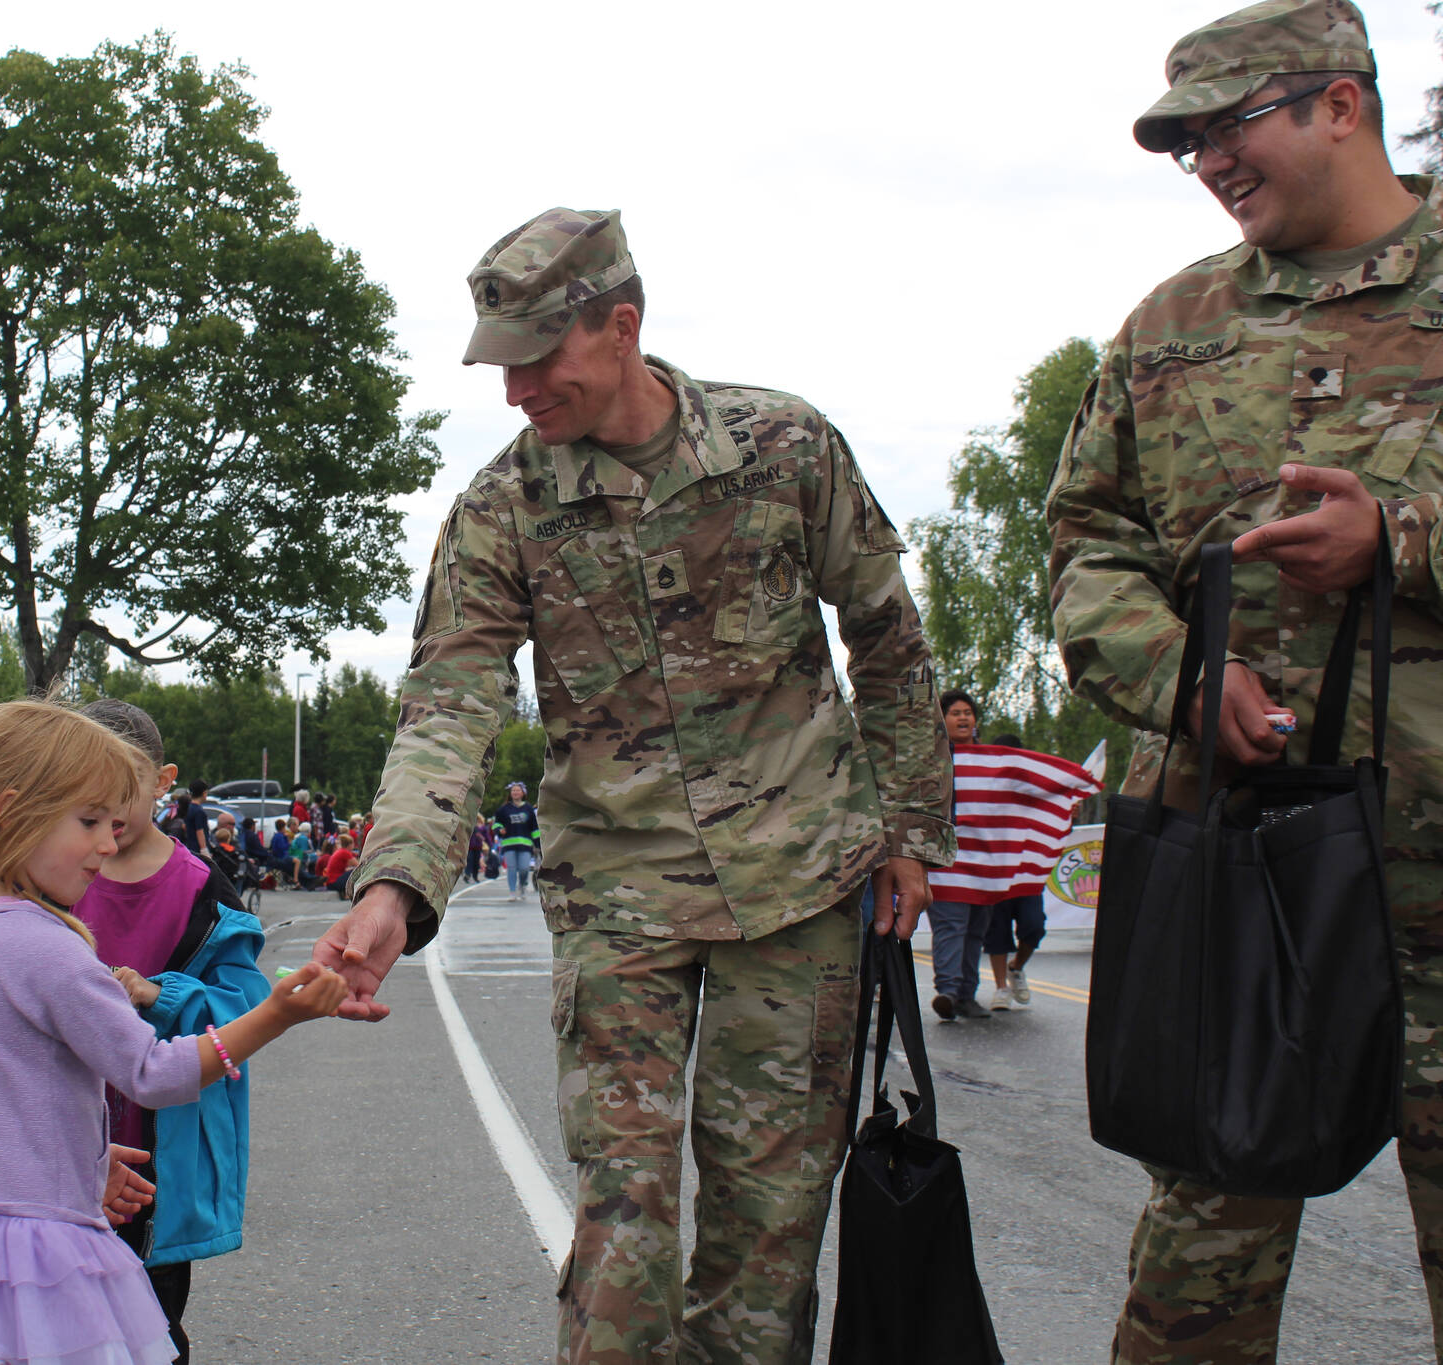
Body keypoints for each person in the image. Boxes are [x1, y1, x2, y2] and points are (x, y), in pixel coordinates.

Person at [313, 208, 952, 1364]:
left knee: (768, 1229)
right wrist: (394, 884)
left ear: (621, 328)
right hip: (618, 899)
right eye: (496, 366)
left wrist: (910, 828)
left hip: (797, 886)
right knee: (623, 1212)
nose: (515, 393)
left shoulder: (784, 447)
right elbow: (450, 702)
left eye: (536, 362)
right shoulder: (502, 507)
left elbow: (887, 639)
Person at [1046, 3, 1443, 1358]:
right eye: (1186, 144)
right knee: (1191, 1296)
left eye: (1230, 126)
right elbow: (1085, 547)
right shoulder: (1170, 327)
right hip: (1241, 883)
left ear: (1343, 104)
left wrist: (1401, 541)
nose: (1207, 161)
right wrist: (1181, 670)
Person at [0, 700, 346, 1365]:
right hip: (40, 1252)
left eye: (115, 821)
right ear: (15, 811)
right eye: (90, 821)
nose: (109, 840)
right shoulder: (52, 950)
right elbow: (154, 1073)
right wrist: (277, 1013)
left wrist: (80, 1161)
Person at [74, 699, 271, 1363]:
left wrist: (163, 993)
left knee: (148, 1328)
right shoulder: (54, 872)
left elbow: (243, 1010)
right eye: (82, 797)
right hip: (58, 1142)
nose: (106, 820)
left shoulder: (201, 892)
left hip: (157, 1152)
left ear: (163, 780)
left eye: (119, 793)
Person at [924, 691, 994, 1021]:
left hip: (984, 863)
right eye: (955, 712)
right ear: (942, 719)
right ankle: (948, 992)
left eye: (968, 712)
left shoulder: (993, 763)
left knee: (976, 931)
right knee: (951, 926)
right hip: (947, 864)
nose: (963, 718)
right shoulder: (930, 761)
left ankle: (967, 994)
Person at [979, 733, 1049, 1011]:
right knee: (997, 931)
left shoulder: (1035, 791)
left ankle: (1016, 967)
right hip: (994, 873)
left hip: (1027, 873)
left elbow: (1052, 825)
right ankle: (1000, 988)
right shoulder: (983, 788)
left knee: (1034, 926)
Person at [491, 782, 541, 902]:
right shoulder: (504, 809)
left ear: (523, 793)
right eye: (513, 790)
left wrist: (538, 844)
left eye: (518, 790)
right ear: (510, 793)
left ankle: (522, 886)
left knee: (524, 869)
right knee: (512, 868)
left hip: (525, 843)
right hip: (509, 843)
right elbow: (496, 823)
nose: (515, 792)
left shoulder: (528, 808)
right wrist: (499, 829)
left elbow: (535, 828)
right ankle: (512, 892)